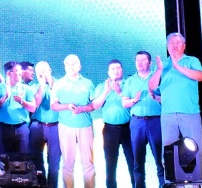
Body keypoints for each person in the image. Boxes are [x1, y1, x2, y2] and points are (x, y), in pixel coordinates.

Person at [148, 33, 202, 178]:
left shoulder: (191, 60)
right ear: (167, 47)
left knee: (195, 149)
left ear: (184, 46)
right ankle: (171, 183)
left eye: (177, 43)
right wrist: (159, 70)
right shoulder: (163, 65)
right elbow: (152, 86)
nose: (174, 46)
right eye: (171, 44)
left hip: (190, 112)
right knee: (169, 152)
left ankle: (199, 182)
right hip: (168, 115)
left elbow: (200, 76)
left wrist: (177, 67)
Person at [51, 54, 96, 188]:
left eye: (74, 63)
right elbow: (54, 106)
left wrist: (83, 108)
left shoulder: (88, 83)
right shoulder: (58, 84)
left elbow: (93, 105)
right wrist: (66, 106)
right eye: (68, 64)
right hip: (66, 127)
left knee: (88, 163)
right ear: (64, 67)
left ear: (80, 66)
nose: (71, 66)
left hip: (85, 126)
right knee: (68, 163)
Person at [122, 51, 164, 188]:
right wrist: (134, 100)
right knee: (138, 161)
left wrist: (155, 97)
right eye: (137, 60)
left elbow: (167, 99)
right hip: (137, 123)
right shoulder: (130, 81)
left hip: (156, 121)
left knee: (160, 159)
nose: (139, 63)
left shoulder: (157, 77)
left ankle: (164, 185)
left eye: (143, 60)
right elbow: (124, 103)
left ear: (150, 63)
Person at [92, 61, 135, 188]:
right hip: (110, 130)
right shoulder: (102, 86)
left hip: (128, 128)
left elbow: (134, 103)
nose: (116, 71)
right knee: (110, 165)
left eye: (118, 68)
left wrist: (119, 91)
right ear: (108, 72)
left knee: (133, 163)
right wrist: (106, 91)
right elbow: (95, 106)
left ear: (122, 70)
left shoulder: (129, 84)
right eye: (112, 69)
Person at [0, 62, 35, 153]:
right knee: (3, 157)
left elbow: (33, 108)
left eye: (20, 70)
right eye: (17, 71)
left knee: (23, 158)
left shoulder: (26, 89)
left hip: (22, 128)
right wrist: (5, 97)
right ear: (9, 73)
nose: (20, 73)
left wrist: (22, 101)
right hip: (3, 129)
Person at [29, 61, 61, 188]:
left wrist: (51, 83)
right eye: (39, 72)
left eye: (44, 71)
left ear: (50, 71)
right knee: (36, 160)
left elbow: (60, 100)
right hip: (37, 126)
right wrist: (42, 86)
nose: (42, 74)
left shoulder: (59, 84)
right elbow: (35, 104)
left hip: (55, 126)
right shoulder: (34, 87)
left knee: (54, 163)